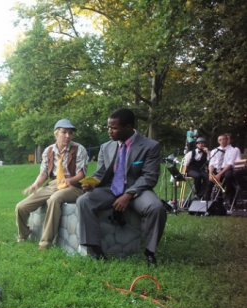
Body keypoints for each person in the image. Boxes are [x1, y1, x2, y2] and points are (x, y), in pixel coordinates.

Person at [77, 109, 167, 266]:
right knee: (84, 201)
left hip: (137, 190)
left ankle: (150, 252)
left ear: (128, 127)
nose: (109, 131)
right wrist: (92, 183)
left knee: (156, 208)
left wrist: (129, 194)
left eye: (114, 128)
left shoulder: (150, 146)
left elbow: (149, 176)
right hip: (110, 189)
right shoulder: (106, 147)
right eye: (108, 127)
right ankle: (96, 250)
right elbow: (101, 172)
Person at [15, 119, 88, 250]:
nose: (67, 136)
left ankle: (45, 244)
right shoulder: (48, 151)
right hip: (53, 184)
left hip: (73, 186)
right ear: (56, 134)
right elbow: (43, 173)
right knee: (21, 206)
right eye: (64, 132)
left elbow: (82, 175)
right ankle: (23, 234)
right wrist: (35, 184)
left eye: (70, 133)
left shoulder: (79, 149)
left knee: (54, 199)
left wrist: (69, 181)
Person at [206, 134, 239, 203]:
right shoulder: (214, 151)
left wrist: (219, 174)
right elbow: (211, 164)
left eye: (224, 139)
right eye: (220, 140)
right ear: (218, 141)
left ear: (227, 140)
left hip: (227, 169)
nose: (222, 141)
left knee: (228, 176)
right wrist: (210, 174)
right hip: (216, 169)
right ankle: (206, 202)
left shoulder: (233, 150)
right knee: (209, 182)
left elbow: (230, 164)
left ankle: (229, 195)